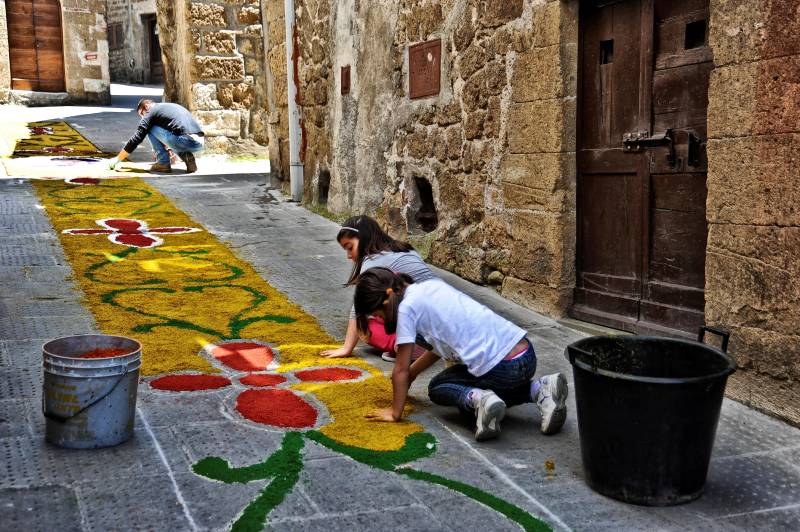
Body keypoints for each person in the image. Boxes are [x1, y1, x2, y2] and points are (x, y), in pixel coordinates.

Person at [354, 267, 568, 441]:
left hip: (502, 369)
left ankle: (480, 399)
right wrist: (413, 373)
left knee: (440, 388)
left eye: (377, 316)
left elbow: (399, 371)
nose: (380, 320)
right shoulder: (429, 286)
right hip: (525, 354)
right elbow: (439, 346)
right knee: (474, 386)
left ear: (385, 302)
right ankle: (539, 389)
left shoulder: (405, 310)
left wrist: (394, 413)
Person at [320, 215, 435, 362]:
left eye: (350, 247)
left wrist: (346, 348)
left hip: (421, 327)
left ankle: (408, 345)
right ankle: (416, 341)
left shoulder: (372, 261)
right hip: (439, 320)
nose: (348, 255)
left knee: (364, 327)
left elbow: (358, 308)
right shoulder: (404, 248)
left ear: (364, 238)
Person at [108, 98, 204, 174]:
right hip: (199, 142)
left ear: (146, 106)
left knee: (149, 128)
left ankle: (163, 163)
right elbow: (177, 127)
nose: (143, 117)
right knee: (170, 133)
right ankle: (187, 157)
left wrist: (118, 159)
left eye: (142, 114)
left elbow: (137, 138)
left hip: (182, 140)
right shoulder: (167, 107)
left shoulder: (151, 112)